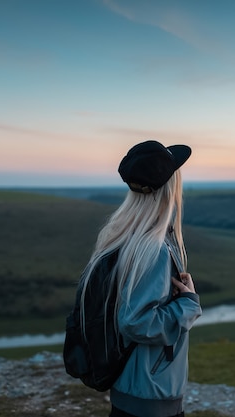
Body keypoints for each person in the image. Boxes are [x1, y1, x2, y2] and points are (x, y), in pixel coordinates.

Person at [89, 140, 202, 417]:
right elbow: (136, 322)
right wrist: (188, 305)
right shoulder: (155, 250)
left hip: (131, 387)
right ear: (170, 188)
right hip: (152, 396)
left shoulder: (121, 238)